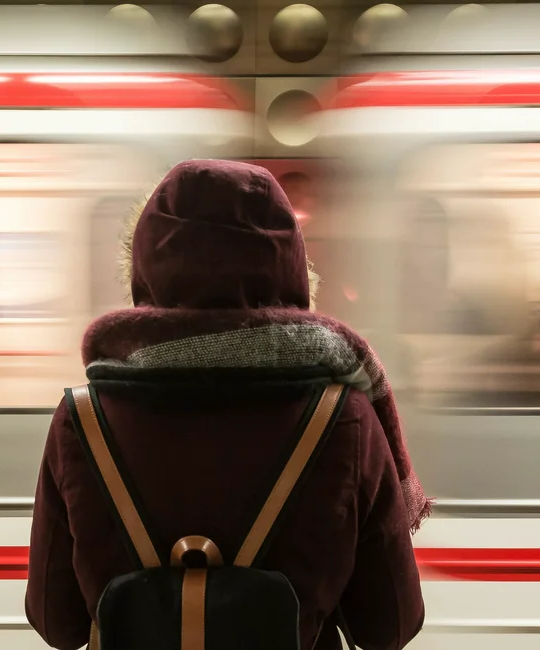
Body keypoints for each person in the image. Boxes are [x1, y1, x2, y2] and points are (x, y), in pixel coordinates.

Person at [25, 160, 429, 650]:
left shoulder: (83, 420)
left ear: (146, 267)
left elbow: (56, 622)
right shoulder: (345, 418)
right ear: (291, 267)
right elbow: (391, 625)